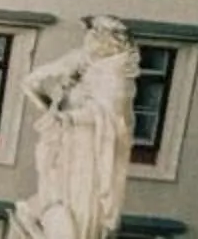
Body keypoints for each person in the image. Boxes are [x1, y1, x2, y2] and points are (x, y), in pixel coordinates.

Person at [14, 16, 136, 239]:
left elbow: (107, 115)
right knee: (58, 189)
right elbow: (34, 81)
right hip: (68, 142)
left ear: (107, 42)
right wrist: (49, 92)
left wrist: (67, 118)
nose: (87, 39)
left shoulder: (118, 76)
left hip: (92, 149)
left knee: (82, 200)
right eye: (88, 34)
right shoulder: (83, 62)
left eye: (93, 34)